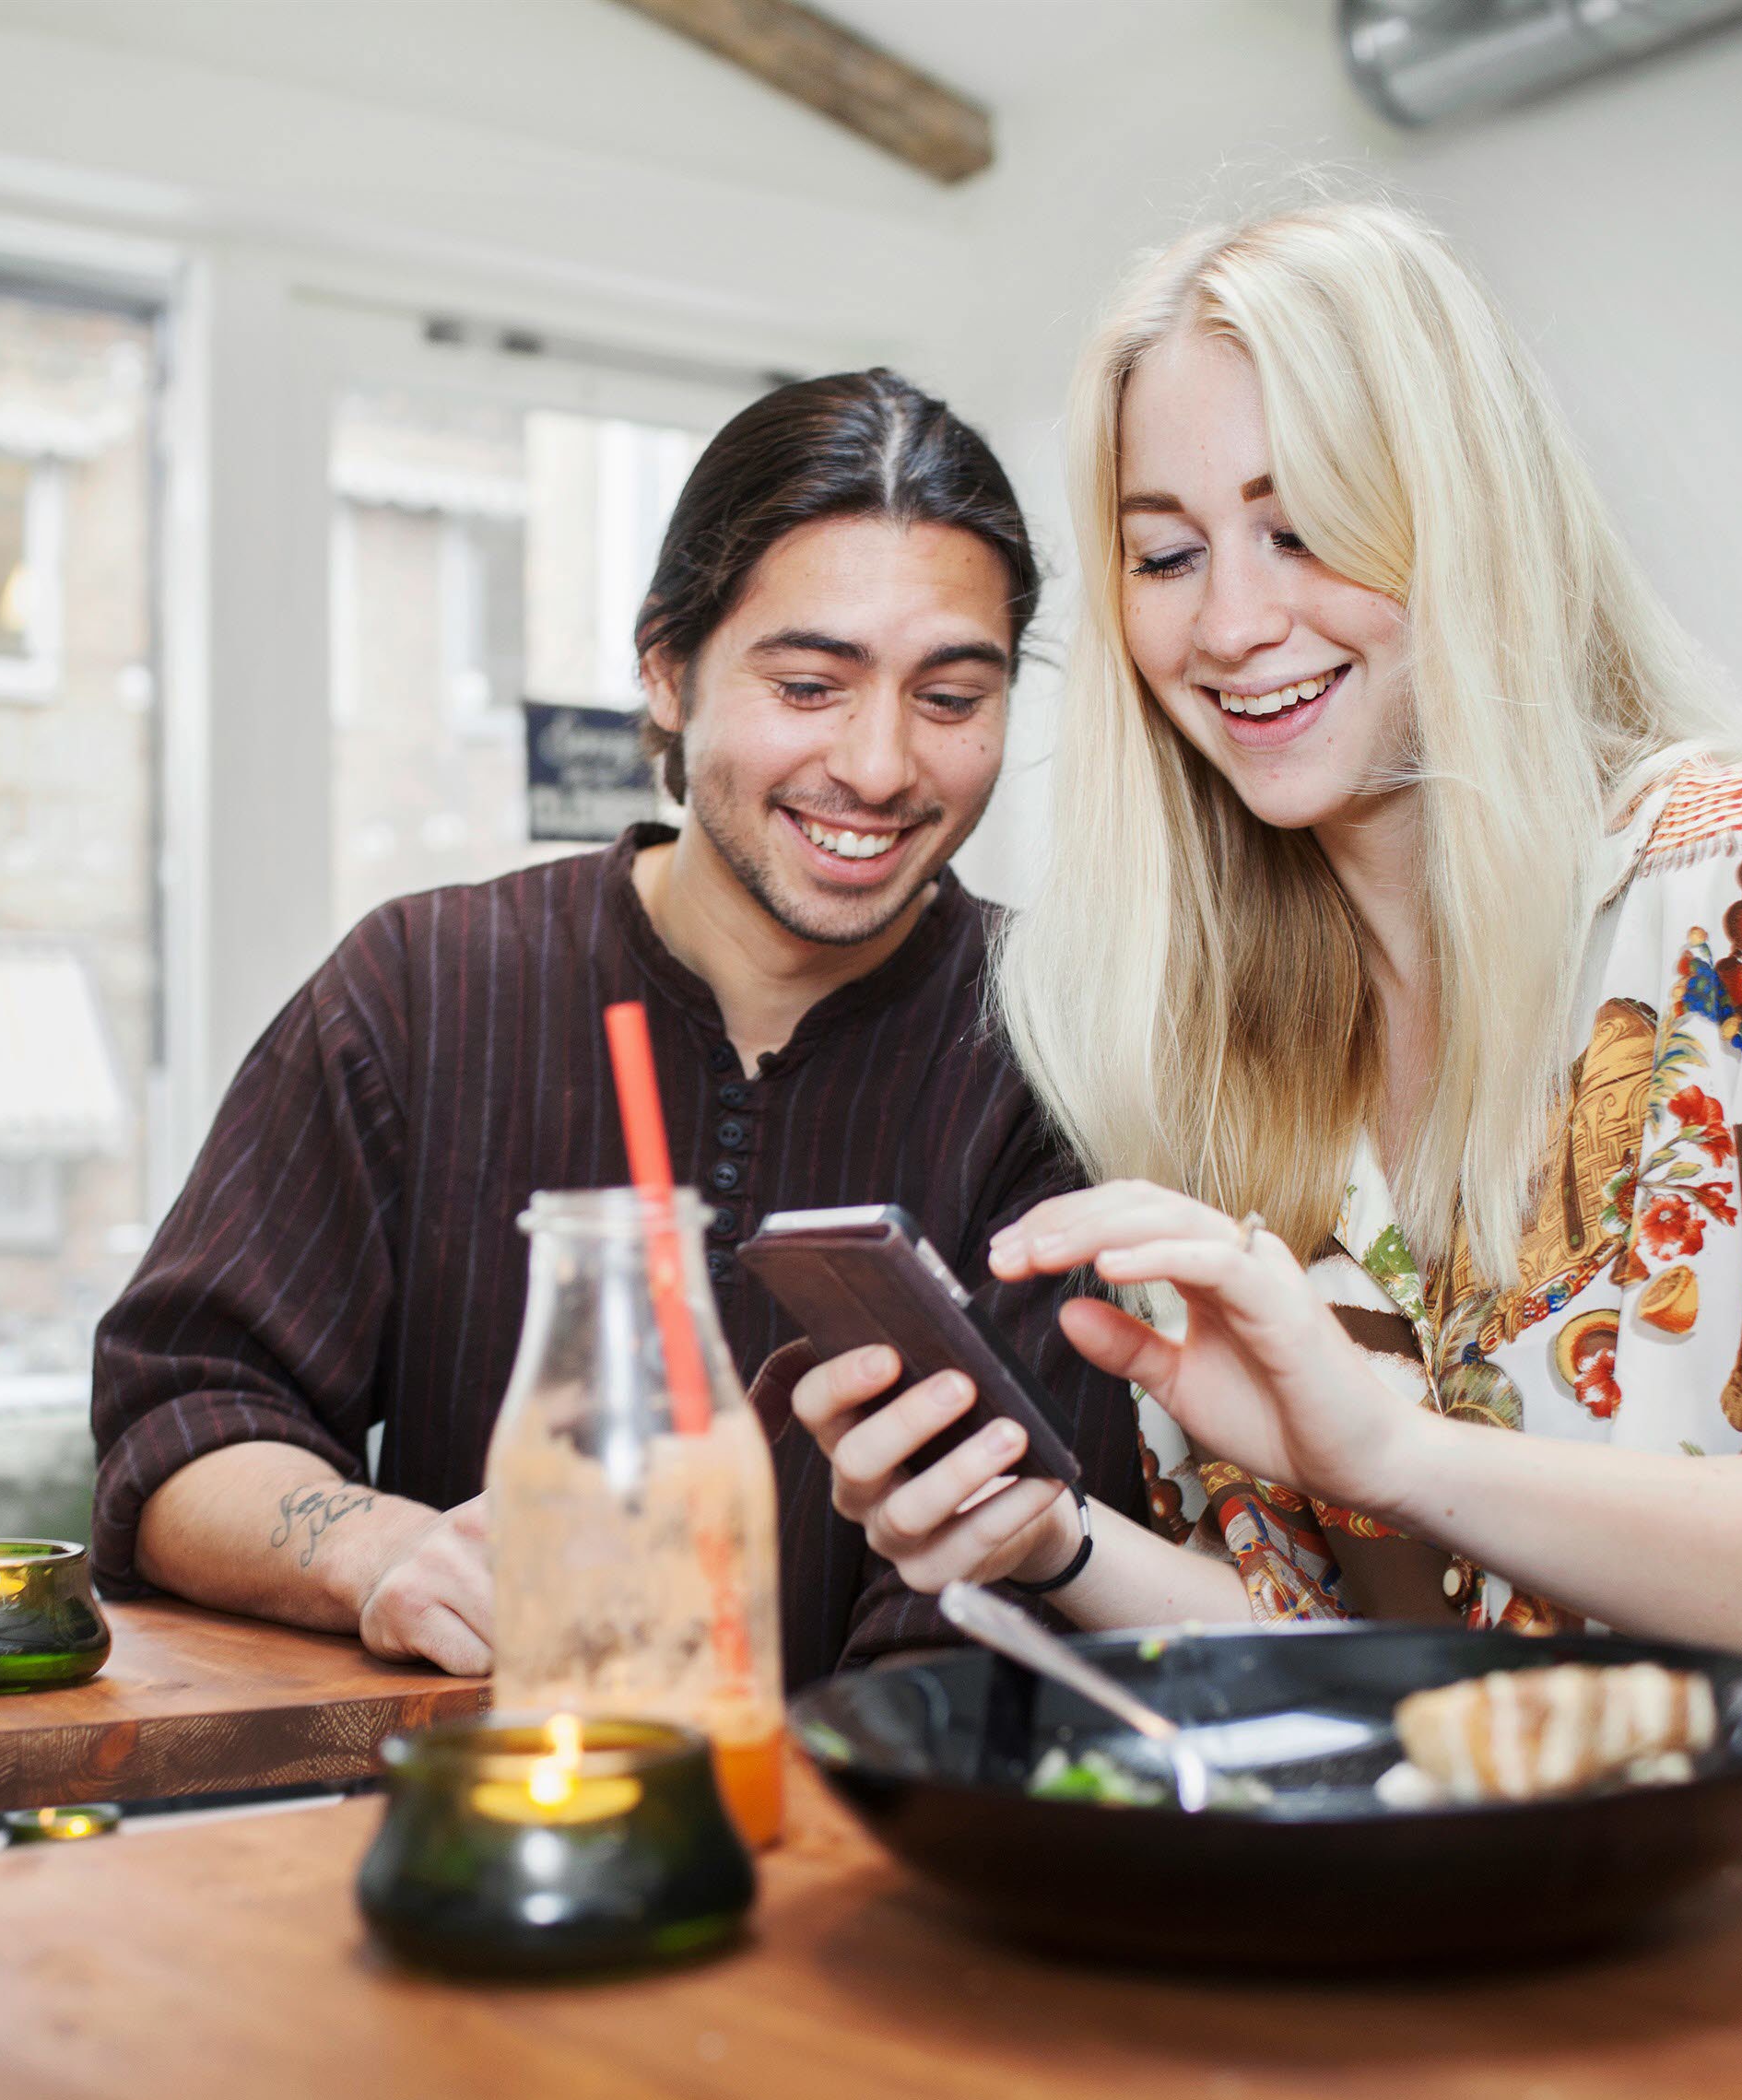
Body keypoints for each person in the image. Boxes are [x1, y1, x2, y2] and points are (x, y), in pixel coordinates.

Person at [797, 200, 1742, 1946]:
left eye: (1308, 523)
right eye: (1168, 552)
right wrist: (1046, 1544)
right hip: (1552, 1936)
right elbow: (1384, 1690)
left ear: (1467, 516)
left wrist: (1404, 1453)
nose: (1234, 621)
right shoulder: (1213, 1049)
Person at [92, 368, 1144, 1693]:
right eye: (811, 685)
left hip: (877, 1845)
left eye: (949, 700)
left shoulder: (1054, 1050)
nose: (880, 768)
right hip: (490, 1843)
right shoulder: (423, 986)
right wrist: (373, 1550)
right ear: (666, 668)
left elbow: (1014, 1585)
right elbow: (177, 1425)